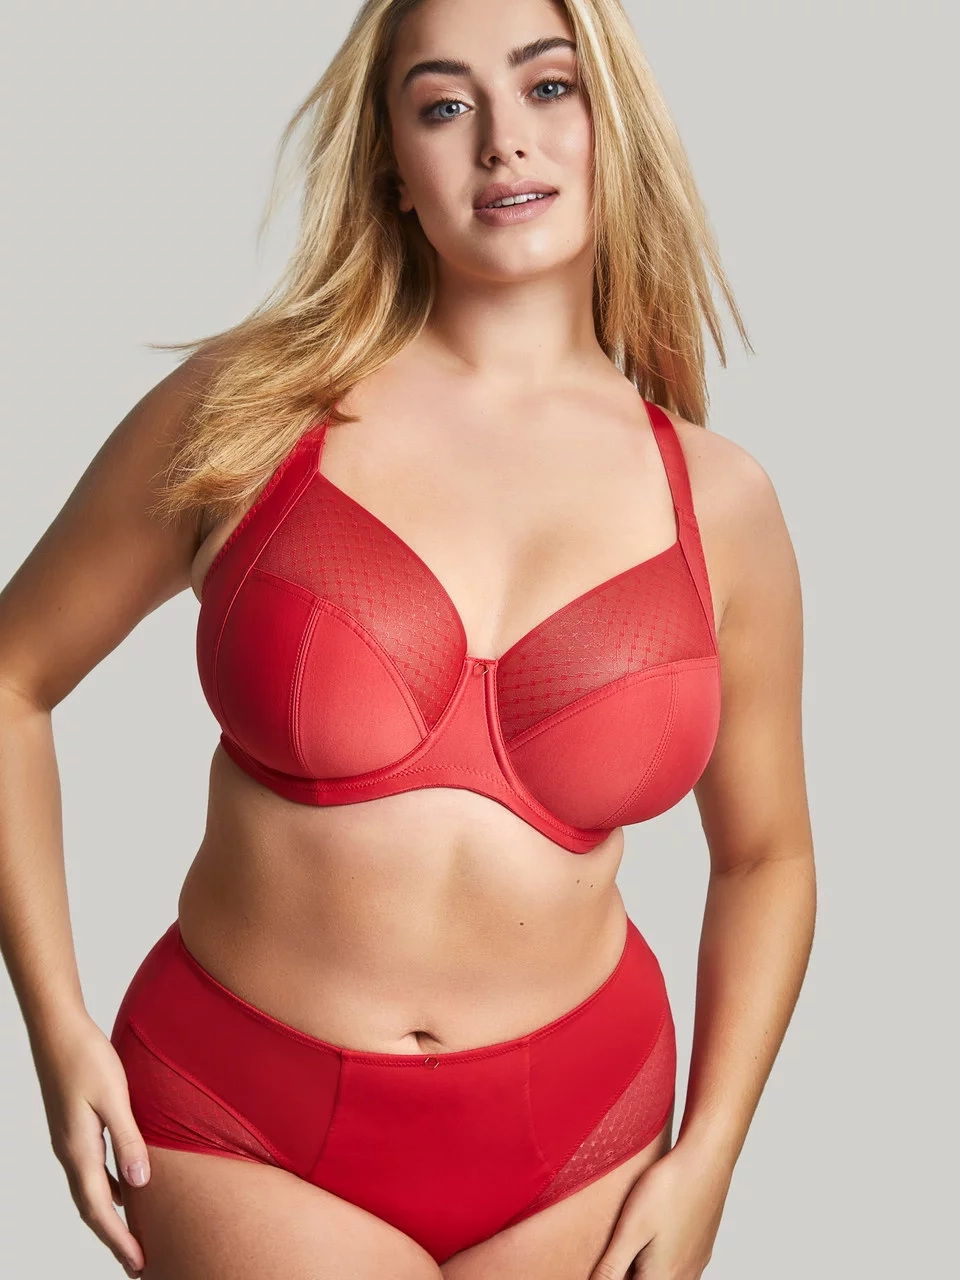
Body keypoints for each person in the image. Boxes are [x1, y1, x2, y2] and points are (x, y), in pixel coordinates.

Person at [0, 0, 816, 1276]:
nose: (503, 139)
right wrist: (55, 1029)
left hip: (584, 1144)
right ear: (391, 164)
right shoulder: (251, 413)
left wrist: (712, 1147)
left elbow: (767, 855)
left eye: (549, 87)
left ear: (613, 122)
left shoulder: (721, 503)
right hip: (242, 1122)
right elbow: (11, 677)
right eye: (445, 104)